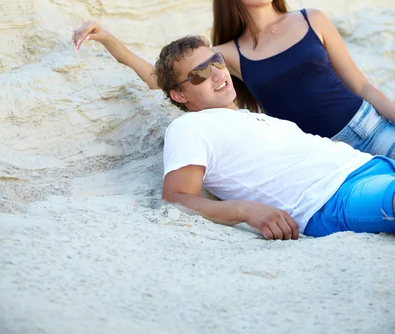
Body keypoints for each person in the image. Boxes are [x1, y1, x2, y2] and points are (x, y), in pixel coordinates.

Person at [72, 0, 395, 157]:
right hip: (322, 155)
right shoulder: (227, 54)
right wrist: (108, 39)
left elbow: (362, 86)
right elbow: (160, 79)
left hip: (369, 128)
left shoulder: (312, 19)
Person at [156, 34, 395, 239]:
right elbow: (176, 198)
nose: (218, 74)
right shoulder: (189, 127)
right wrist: (246, 210)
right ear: (178, 95)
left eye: (216, 61)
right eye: (200, 73)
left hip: (368, 164)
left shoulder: (250, 117)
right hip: (330, 198)